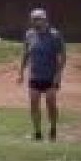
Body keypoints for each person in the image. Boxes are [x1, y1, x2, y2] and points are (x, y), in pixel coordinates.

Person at [18, 8, 66, 141]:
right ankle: (38, 132)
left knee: (50, 104)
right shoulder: (29, 35)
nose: (35, 22)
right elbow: (26, 54)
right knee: (34, 104)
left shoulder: (55, 35)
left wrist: (58, 75)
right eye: (33, 19)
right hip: (34, 76)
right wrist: (21, 72)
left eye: (38, 19)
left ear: (45, 20)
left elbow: (62, 57)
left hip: (51, 76)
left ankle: (53, 129)